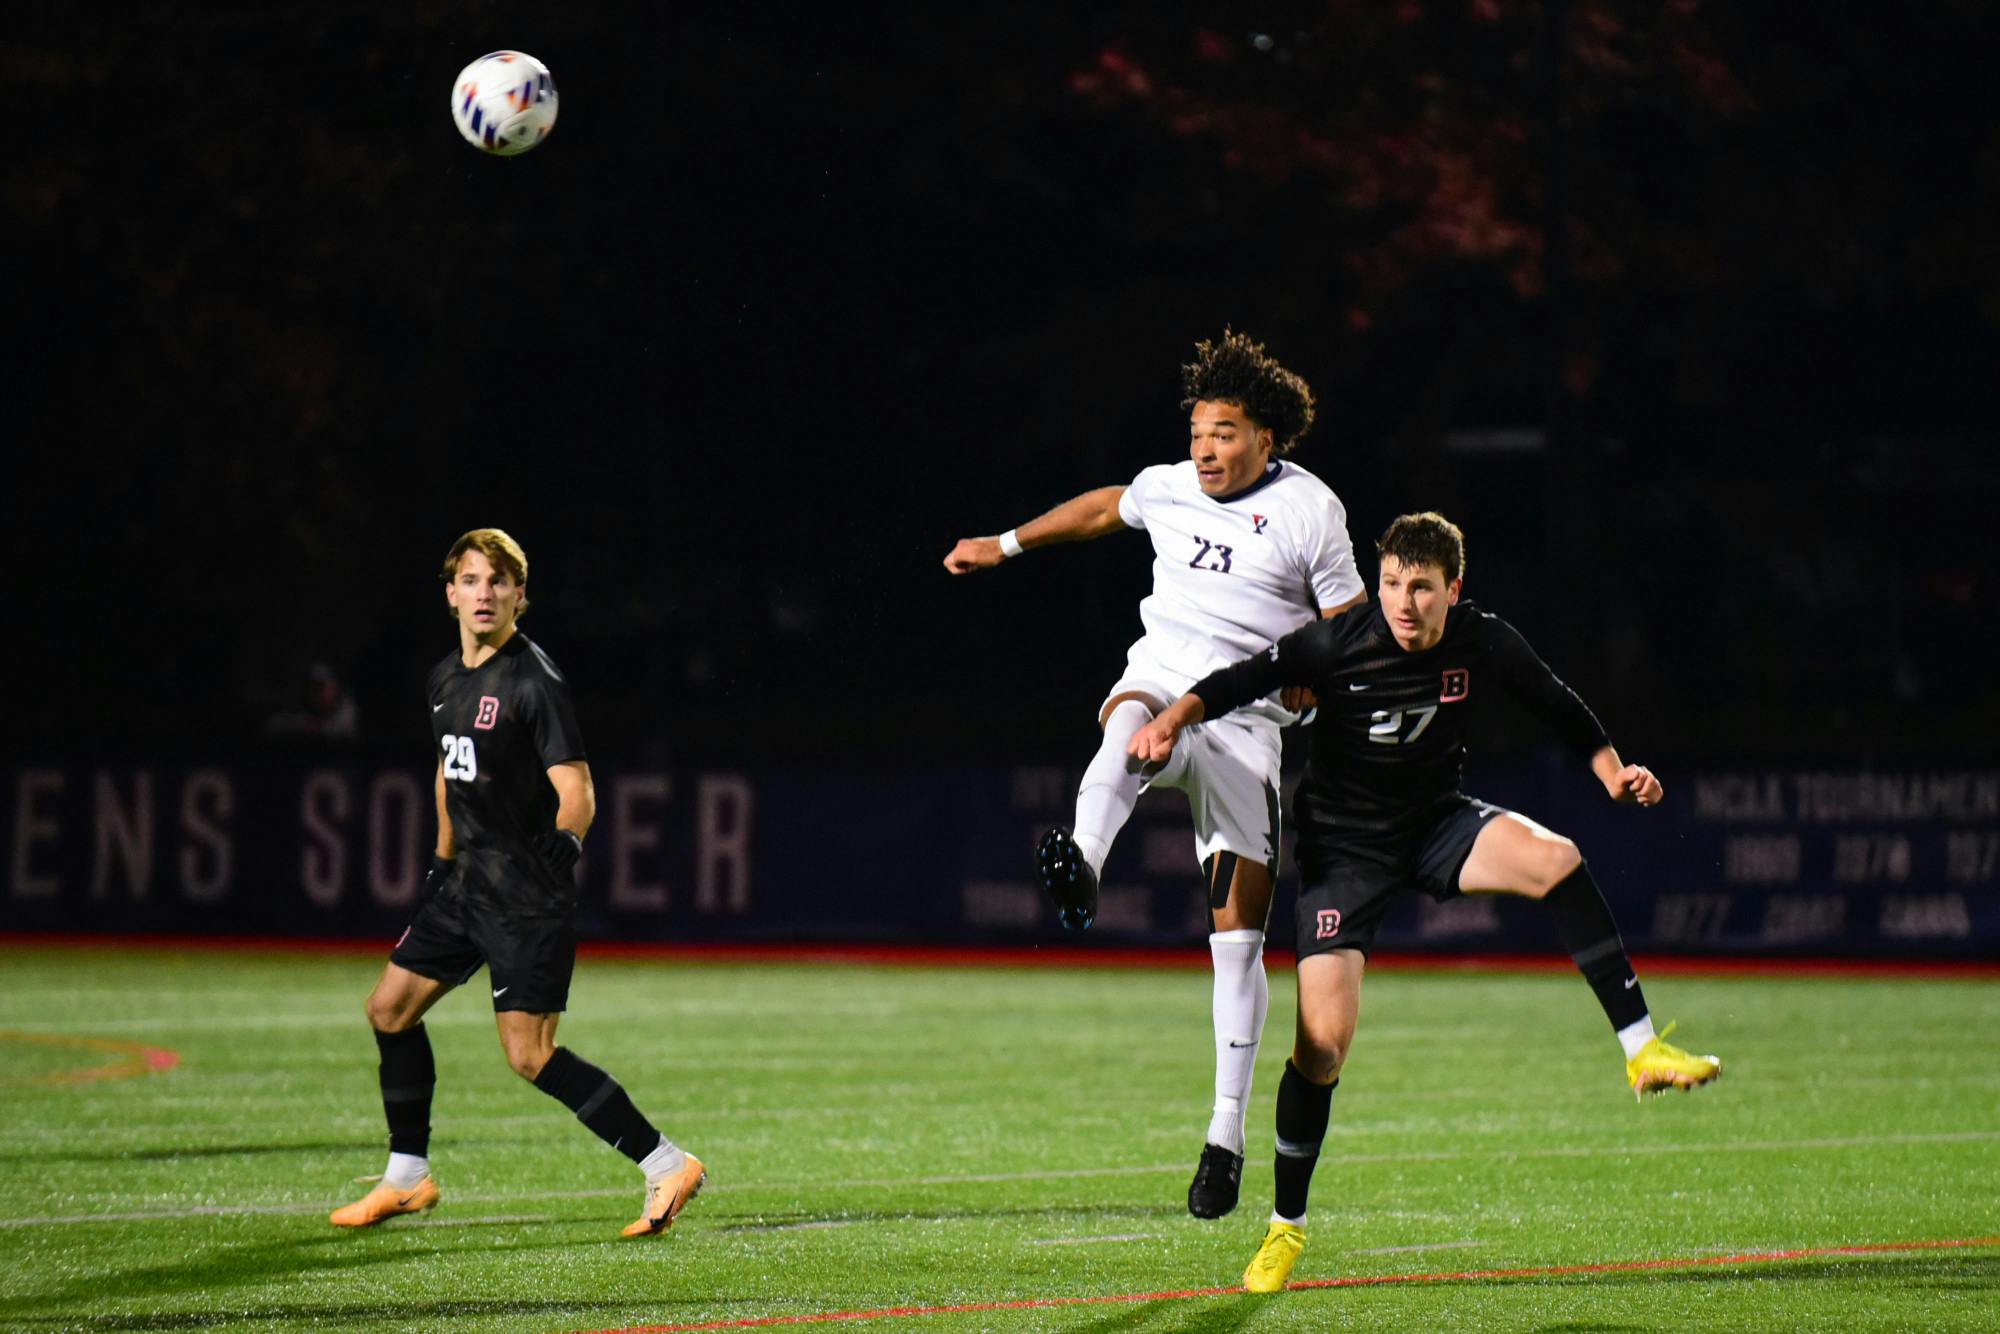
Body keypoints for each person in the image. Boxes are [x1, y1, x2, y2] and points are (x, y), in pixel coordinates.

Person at [1127, 511, 1721, 1293]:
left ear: (1453, 591)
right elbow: (1237, 681)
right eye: (1393, 584)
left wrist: (1612, 770)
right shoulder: (1336, 642)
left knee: (1557, 861)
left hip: (1439, 824)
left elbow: (1555, 699)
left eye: (1422, 589)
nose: (1404, 603)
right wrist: (1170, 718)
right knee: (1324, 1048)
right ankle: (1286, 1228)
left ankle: (1641, 1048)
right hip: (1344, 855)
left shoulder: (1482, 638)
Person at [944, 330, 1367, 1219]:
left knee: (1238, 944)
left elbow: (1351, 624)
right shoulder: (1173, 487)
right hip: (1166, 681)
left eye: (1223, 431)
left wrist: (1315, 673)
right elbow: (1108, 505)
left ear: (1266, 439)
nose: (1204, 449)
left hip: (1247, 725)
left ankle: (1224, 1137)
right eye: (1198, 431)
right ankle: (1083, 865)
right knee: (1128, 719)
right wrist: (1005, 542)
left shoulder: (1309, 511)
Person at [330, 528, 705, 1238]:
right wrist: (440, 865)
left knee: (530, 1057)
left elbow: (579, 788)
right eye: (471, 580)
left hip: (526, 898)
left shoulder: (534, 681)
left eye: (499, 582)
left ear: (519, 597)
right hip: (466, 887)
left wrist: (566, 840)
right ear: (450, 593)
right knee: (388, 1009)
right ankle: (407, 1177)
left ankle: (666, 1164)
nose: (484, 593)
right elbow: (450, 772)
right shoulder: (444, 678)